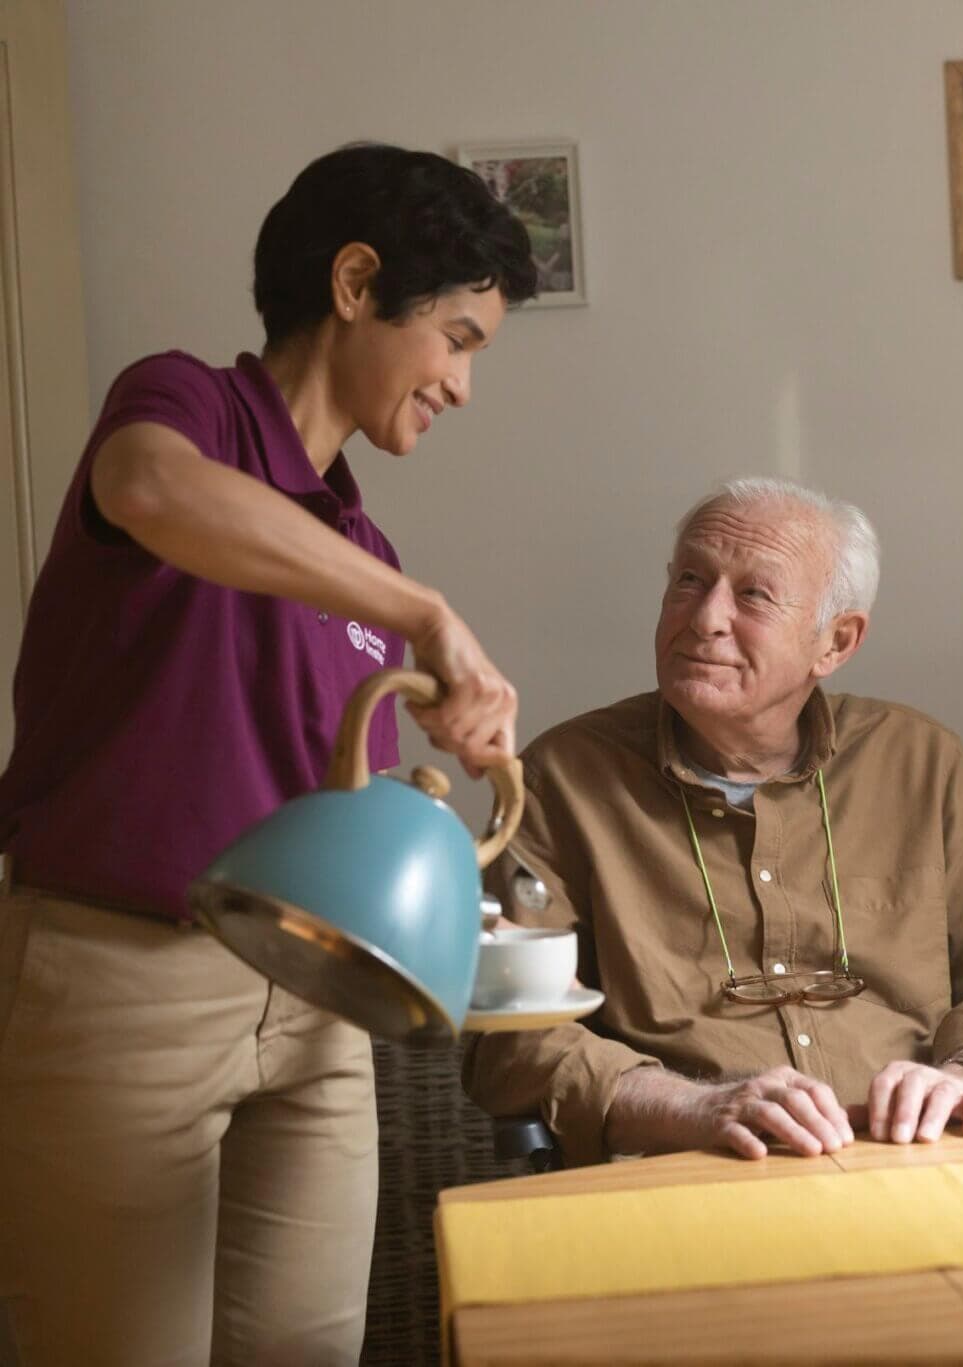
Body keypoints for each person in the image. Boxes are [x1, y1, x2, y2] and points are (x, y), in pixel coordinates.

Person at [0, 142, 536, 1367]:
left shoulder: (363, 539)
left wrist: (428, 795)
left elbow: (307, 800)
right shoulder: (185, 406)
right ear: (356, 283)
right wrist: (423, 614)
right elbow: (147, 488)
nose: (461, 383)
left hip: (312, 1000)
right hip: (120, 981)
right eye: (457, 338)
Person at [465, 477, 963, 1169]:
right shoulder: (561, 778)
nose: (705, 616)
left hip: (918, 1159)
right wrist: (685, 1105)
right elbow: (506, 1039)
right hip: (691, 1170)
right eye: (690, 579)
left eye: (753, 594)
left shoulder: (923, 765)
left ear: (834, 642)